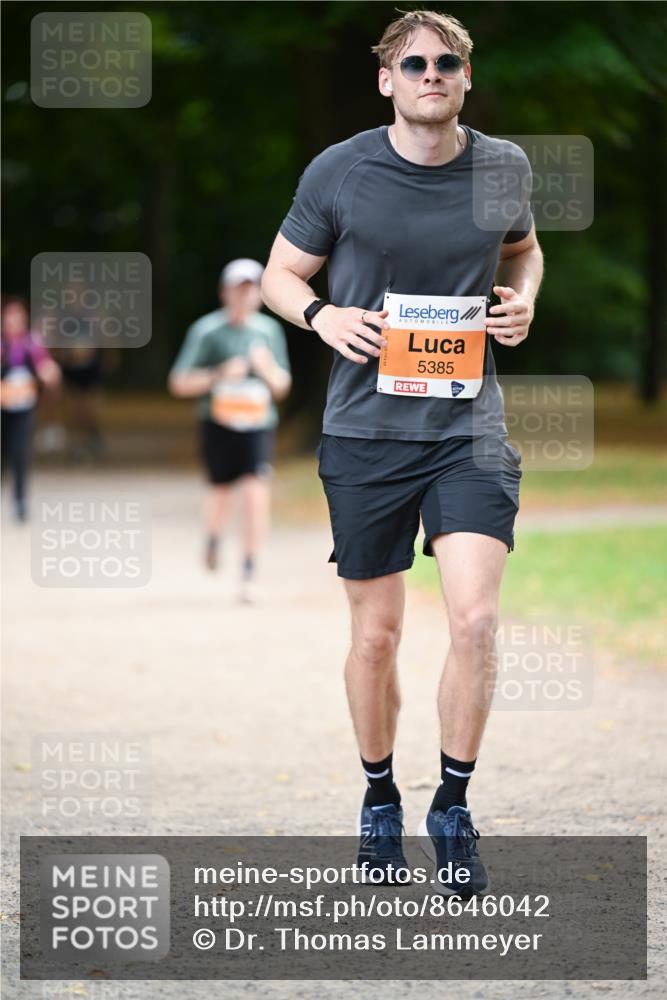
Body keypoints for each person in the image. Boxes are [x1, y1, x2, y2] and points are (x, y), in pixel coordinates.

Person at [262, 9, 543, 893]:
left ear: (465, 78)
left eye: (446, 63)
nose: (431, 75)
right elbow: (278, 275)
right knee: (376, 636)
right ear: (386, 79)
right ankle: (379, 795)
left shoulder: (503, 166)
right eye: (413, 64)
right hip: (364, 431)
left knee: (474, 620)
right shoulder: (340, 170)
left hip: (467, 429)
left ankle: (451, 805)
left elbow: (524, 251)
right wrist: (321, 315)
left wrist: (522, 300)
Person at [168, 259, 291, 603]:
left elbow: (282, 387)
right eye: (238, 289)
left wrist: (267, 369)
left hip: (258, 423)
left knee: (255, 491)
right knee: (221, 492)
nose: (244, 296)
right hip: (219, 422)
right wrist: (219, 374)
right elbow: (179, 383)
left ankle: (250, 570)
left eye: (251, 290)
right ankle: (212, 536)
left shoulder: (269, 332)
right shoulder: (207, 331)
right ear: (225, 293)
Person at [1, 296, 61, 520]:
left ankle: (20, 501)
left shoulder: (32, 343)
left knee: (20, 453)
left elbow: (44, 364)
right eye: (10, 316)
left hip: (24, 408)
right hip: (2, 408)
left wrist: (50, 372)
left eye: (18, 316)